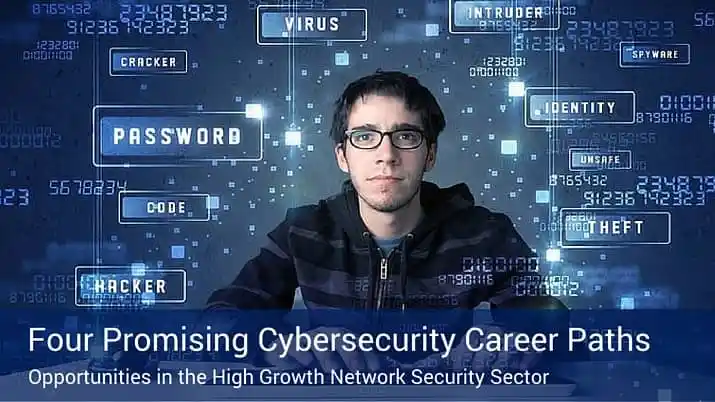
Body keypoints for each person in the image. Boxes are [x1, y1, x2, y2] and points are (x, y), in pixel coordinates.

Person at [205, 70, 568, 372]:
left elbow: (551, 320)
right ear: (342, 157)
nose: (386, 156)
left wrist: (520, 337)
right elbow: (218, 322)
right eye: (365, 137)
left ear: (430, 155)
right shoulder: (303, 231)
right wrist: (279, 345)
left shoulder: (483, 234)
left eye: (406, 136)